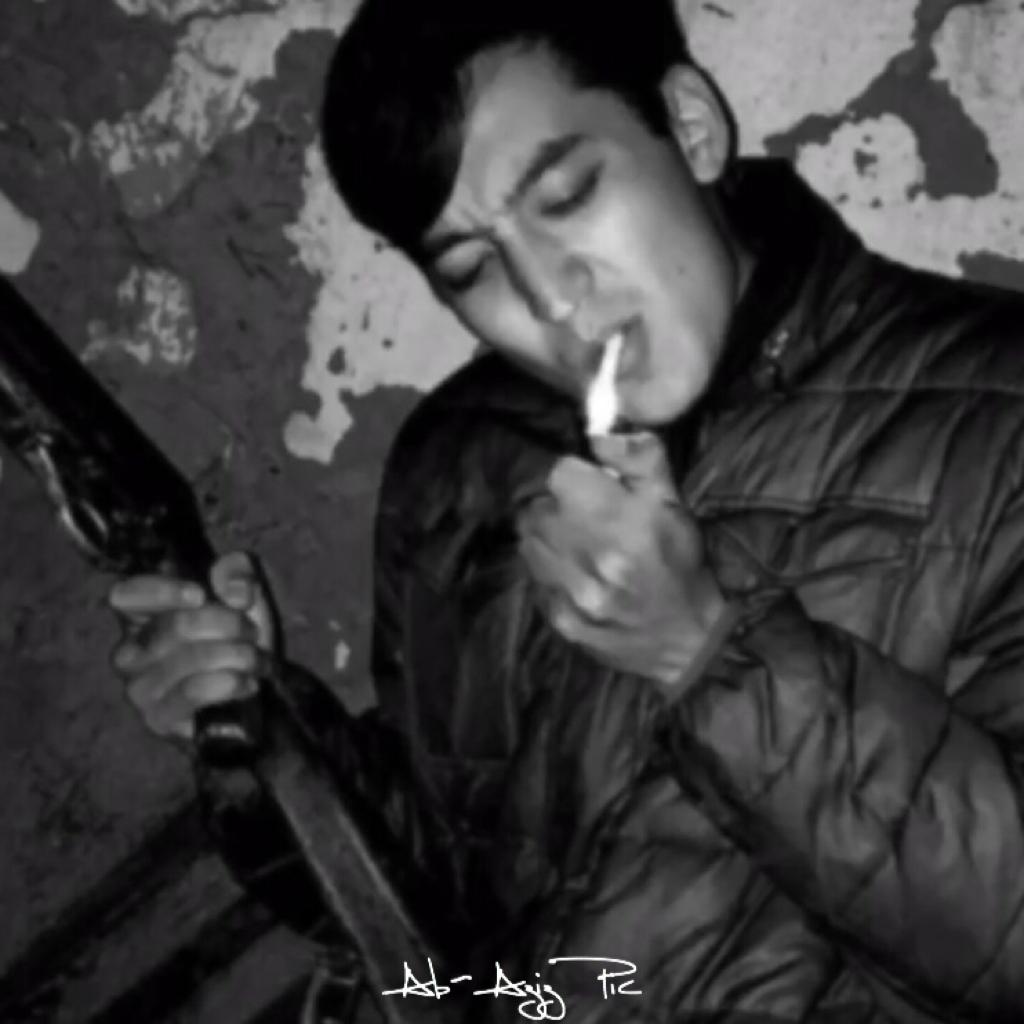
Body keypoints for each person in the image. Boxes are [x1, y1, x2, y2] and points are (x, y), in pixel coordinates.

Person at [108, 0, 1024, 1020]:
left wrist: (706, 653)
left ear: (689, 125)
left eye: (568, 193)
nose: (549, 297)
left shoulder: (1001, 417)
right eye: (471, 267)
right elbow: (436, 907)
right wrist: (255, 723)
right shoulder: (458, 462)